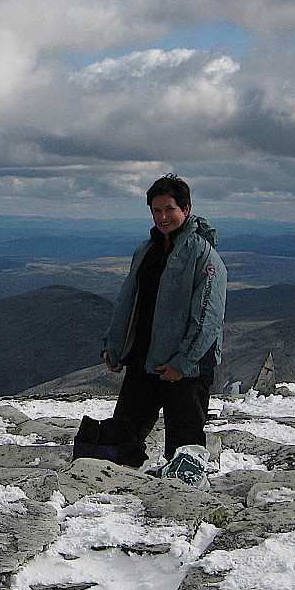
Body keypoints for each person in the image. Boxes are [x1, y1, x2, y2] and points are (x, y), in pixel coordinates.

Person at [101, 174, 226, 483]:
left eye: (169, 209)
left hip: (186, 370)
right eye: (156, 211)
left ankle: (185, 501)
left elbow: (208, 316)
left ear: (186, 209)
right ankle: (120, 496)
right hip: (144, 359)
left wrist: (183, 362)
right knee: (124, 438)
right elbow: (129, 303)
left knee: (184, 448)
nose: (162, 217)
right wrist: (114, 347)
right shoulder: (147, 251)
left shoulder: (203, 256)